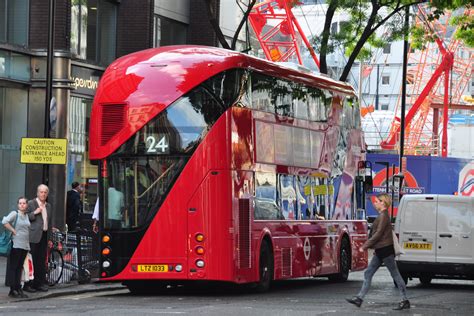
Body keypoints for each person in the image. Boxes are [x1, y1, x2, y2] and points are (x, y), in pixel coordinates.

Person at [346, 193, 410, 310]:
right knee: (368, 273)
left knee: (395, 274)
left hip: (385, 250)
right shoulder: (382, 215)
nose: (376, 203)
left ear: (383, 203)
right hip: (380, 250)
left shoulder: (384, 216)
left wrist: (365, 246)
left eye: (378, 201)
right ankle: (359, 298)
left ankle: (404, 299)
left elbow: (378, 233)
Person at [24, 184, 52, 293]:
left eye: (45, 192)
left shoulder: (48, 206)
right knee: (31, 261)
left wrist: (49, 238)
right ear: (37, 193)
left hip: (44, 236)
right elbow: (25, 217)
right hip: (33, 237)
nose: (43, 194)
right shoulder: (31, 203)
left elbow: (48, 223)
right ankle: (29, 284)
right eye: (41, 192)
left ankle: (39, 283)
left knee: (41, 261)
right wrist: (35, 213)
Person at [2, 197, 30, 298]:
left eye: (24, 203)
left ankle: (18, 288)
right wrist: (13, 230)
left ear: (27, 205)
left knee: (20, 267)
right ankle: (12, 290)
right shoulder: (15, 214)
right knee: (14, 267)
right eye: (20, 203)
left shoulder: (26, 215)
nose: (22, 205)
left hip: (25, 245)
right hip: (16, 244)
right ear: (18, 205)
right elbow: (4, 221)